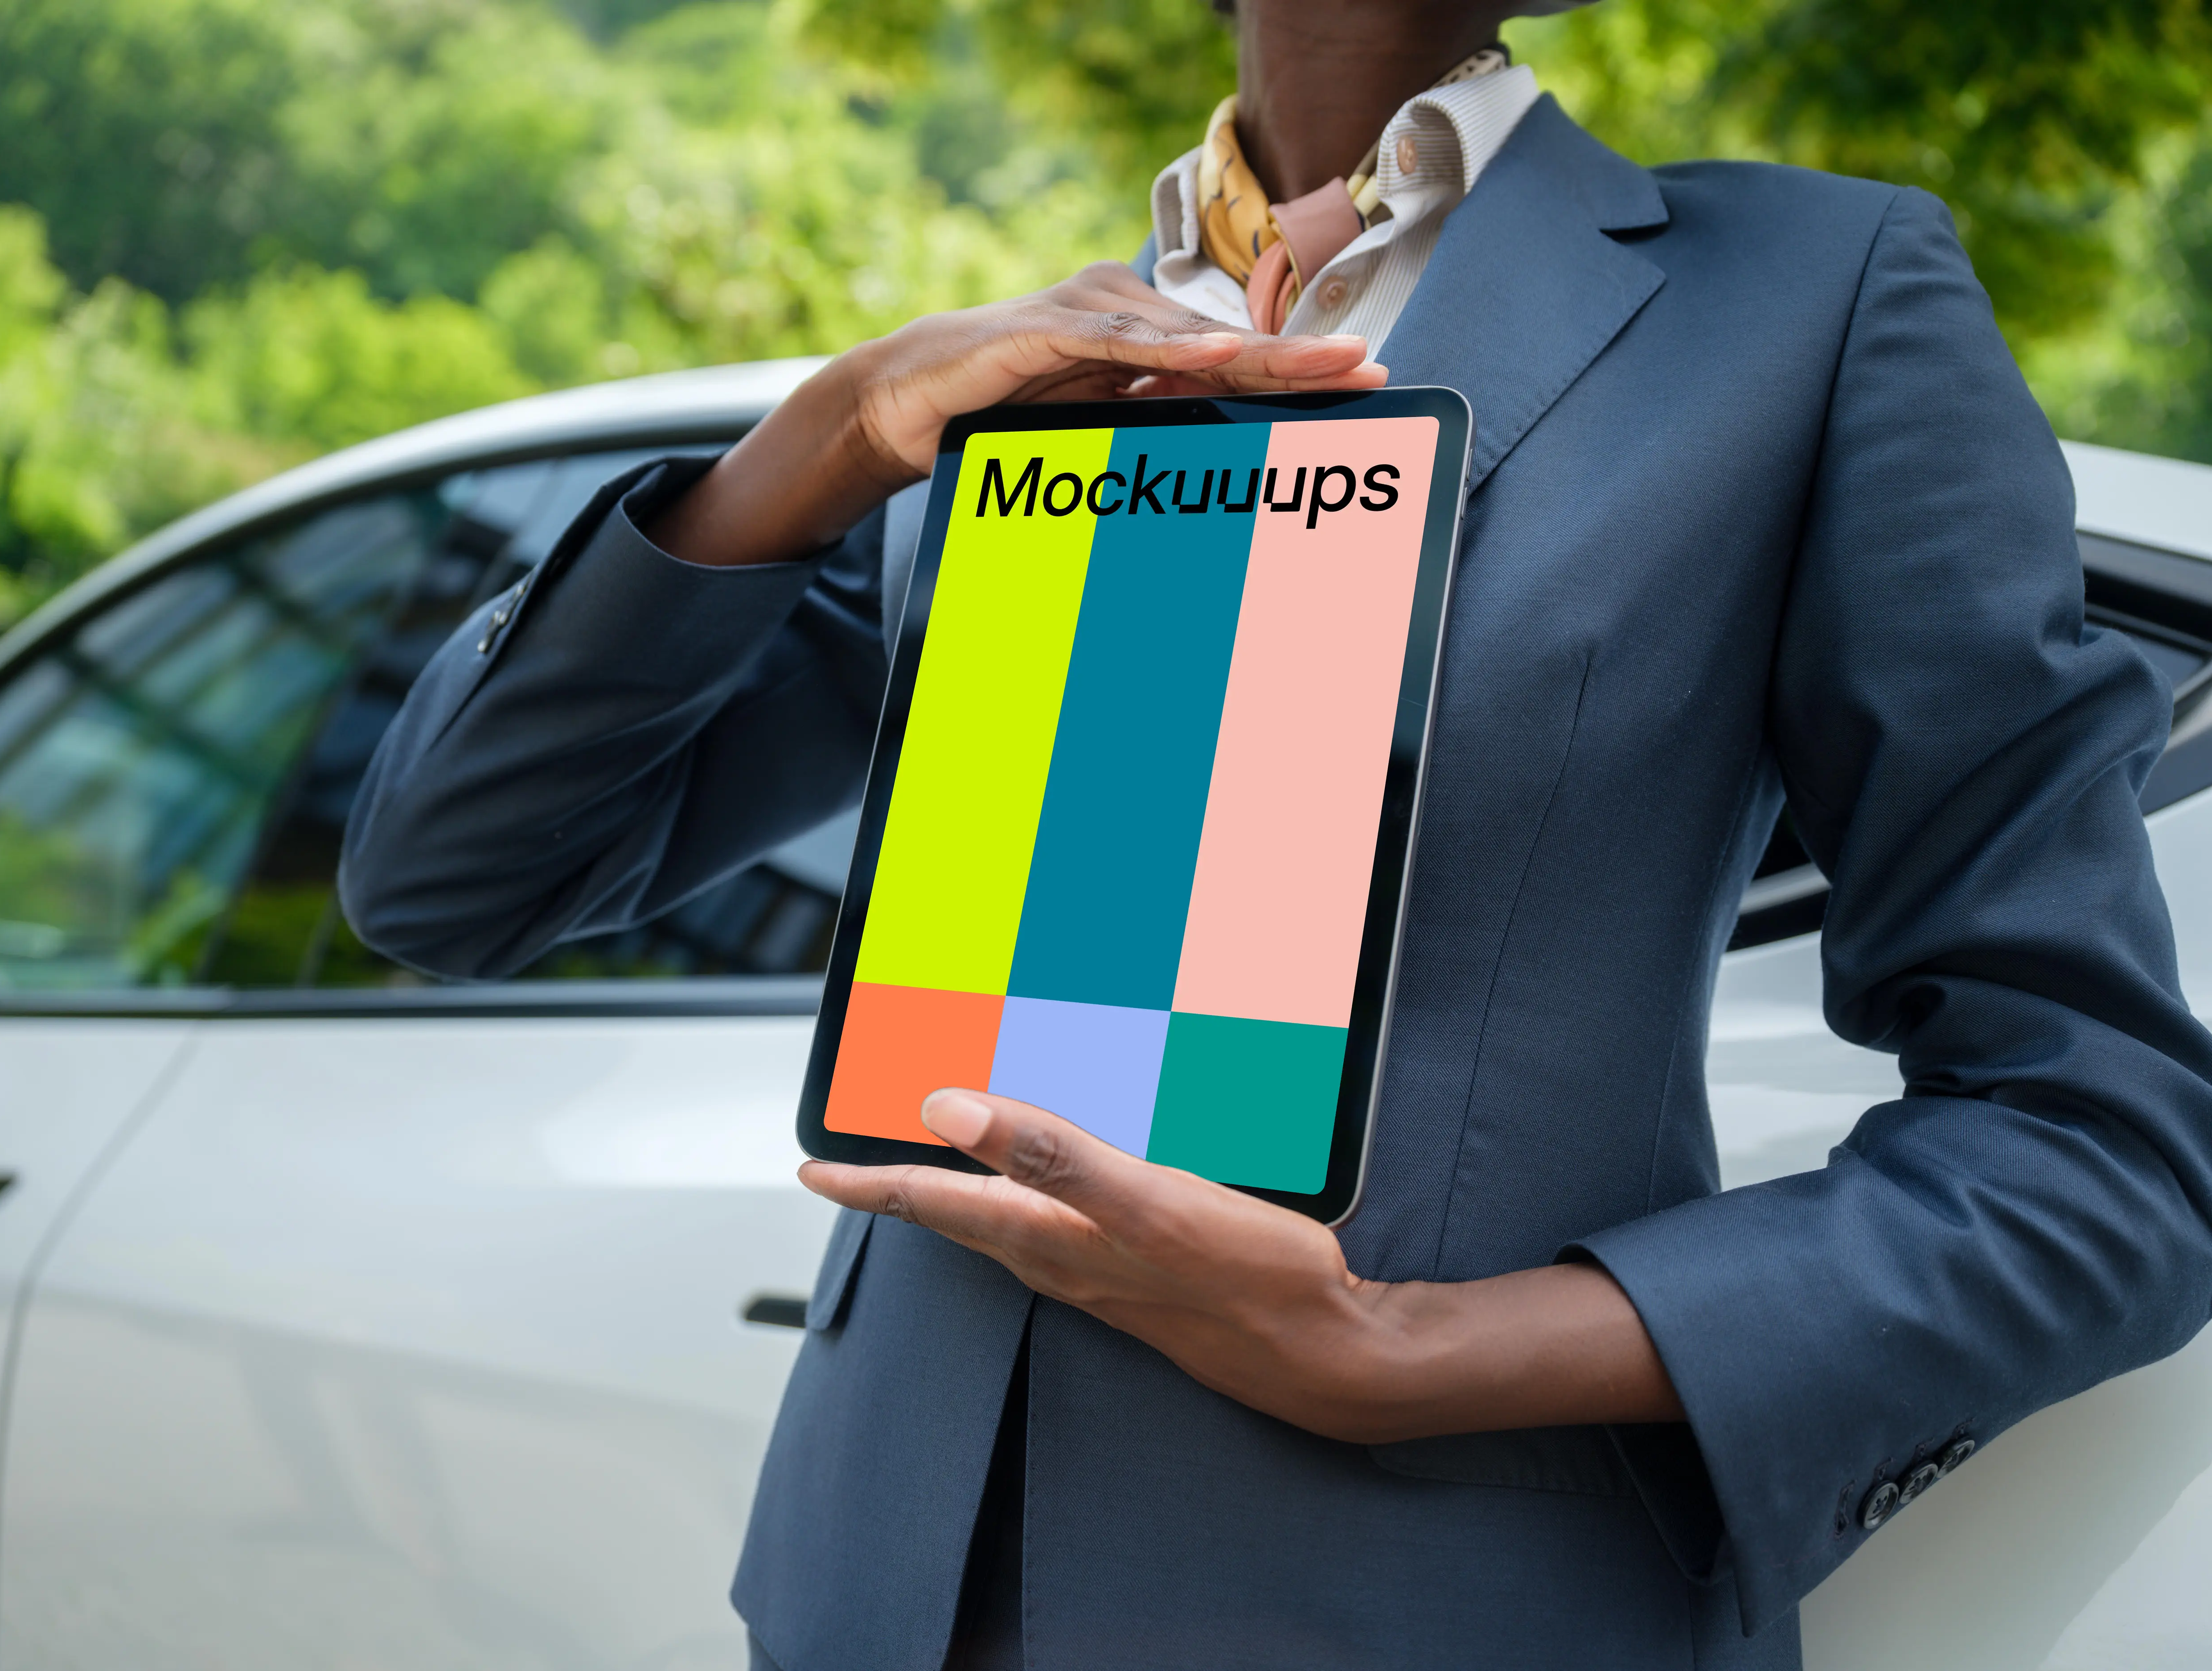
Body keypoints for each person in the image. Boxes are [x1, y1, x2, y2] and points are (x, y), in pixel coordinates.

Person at [339, 0, 2212, 1666]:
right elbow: (449, 877)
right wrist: (827, 431)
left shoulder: (1808, 301)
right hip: (870, 1590)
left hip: (1425, 1602)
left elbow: (2096, 1152)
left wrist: (1407, 1351)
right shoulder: (1024, 378)